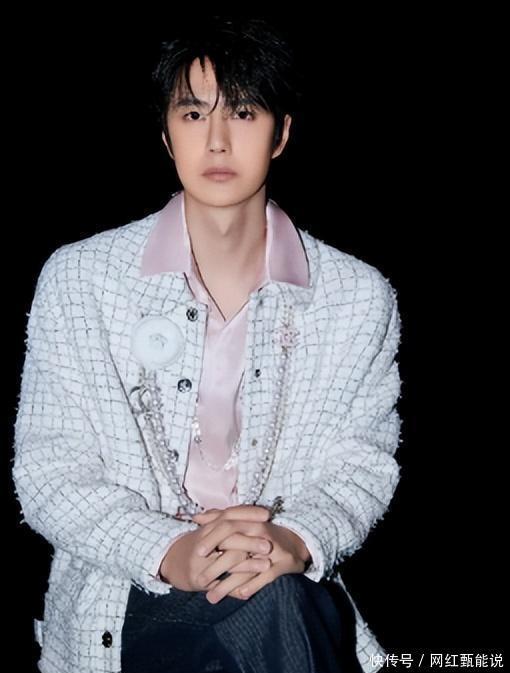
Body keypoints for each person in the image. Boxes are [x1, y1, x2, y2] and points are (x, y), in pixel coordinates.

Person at [13, 16, 402, 673]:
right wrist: (169, 550)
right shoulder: (82, 279)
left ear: (281, 133)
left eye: (243, 112)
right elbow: (51, 469)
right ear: (167, 134)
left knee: (276, 603)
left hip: (281, 592)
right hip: (129, 598)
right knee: (277, 614)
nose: (217, 140)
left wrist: (293, 539)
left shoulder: (356, 297)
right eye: (194, 114)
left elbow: (361, 465)